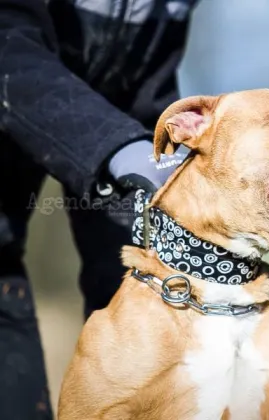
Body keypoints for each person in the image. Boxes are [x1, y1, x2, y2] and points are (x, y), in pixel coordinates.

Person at [0, 0, 201, 418]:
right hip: (25, 87)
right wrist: (120, 147)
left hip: (118, 123)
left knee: (145, 287)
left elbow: (145, 83)